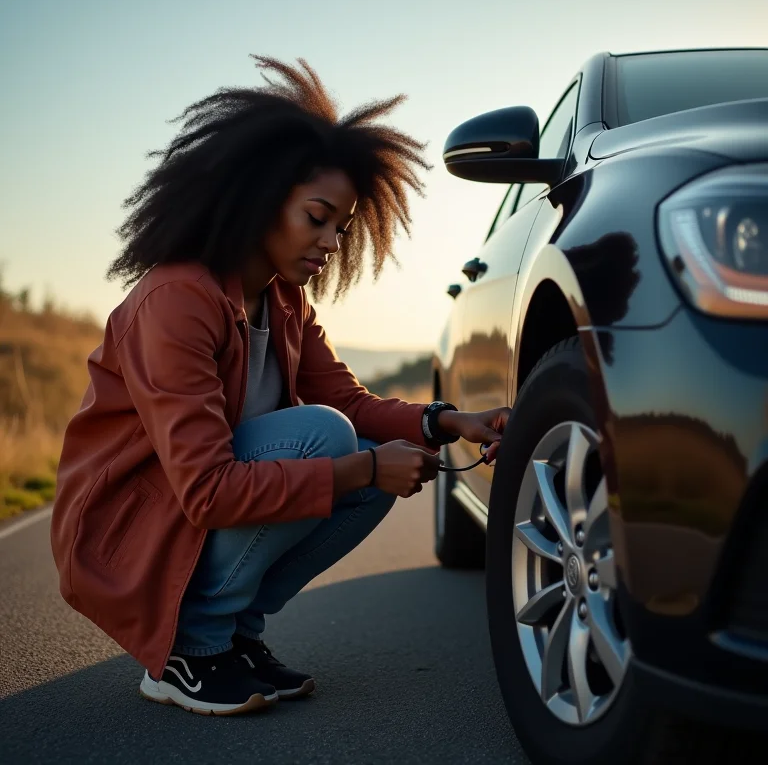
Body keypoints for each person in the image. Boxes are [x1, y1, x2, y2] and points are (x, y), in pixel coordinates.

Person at [50, 56, 511, 717]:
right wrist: (365, 465)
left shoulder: (284, 302)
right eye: (317, 217)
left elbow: (355, 401)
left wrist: (448, 421)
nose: (330, 241)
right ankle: (190, 652)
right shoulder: (177, 301)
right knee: (328, 440)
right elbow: (207, 490)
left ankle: (236, 637)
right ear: (261, 197)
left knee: (365, 463)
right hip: (134, 532)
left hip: (191, 518)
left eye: (342, 227)